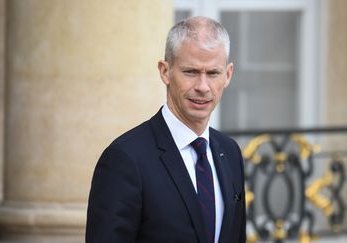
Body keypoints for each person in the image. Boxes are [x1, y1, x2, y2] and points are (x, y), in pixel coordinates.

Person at [86, 16, 246, 243]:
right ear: (165, 71)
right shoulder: (125, 159)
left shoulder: (230, 152)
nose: (202, 87)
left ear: (228, 75)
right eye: (190, 72)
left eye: (212, 73)